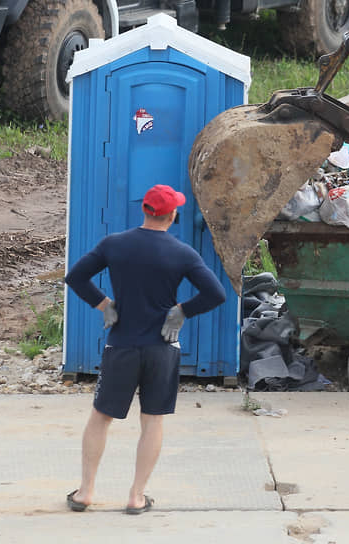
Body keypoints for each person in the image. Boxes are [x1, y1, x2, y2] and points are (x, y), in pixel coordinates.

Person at [64, 184, 227, 514]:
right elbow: (216, 293)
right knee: (152, 421)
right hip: (162, 349)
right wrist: (181, 311)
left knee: (101, 417)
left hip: (121, 345)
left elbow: (76, 277)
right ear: (173, 215)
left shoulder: (115, 245)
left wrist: (104, 304)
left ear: (145, 211)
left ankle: (85, 492)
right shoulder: (182, 252)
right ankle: (136, 498)